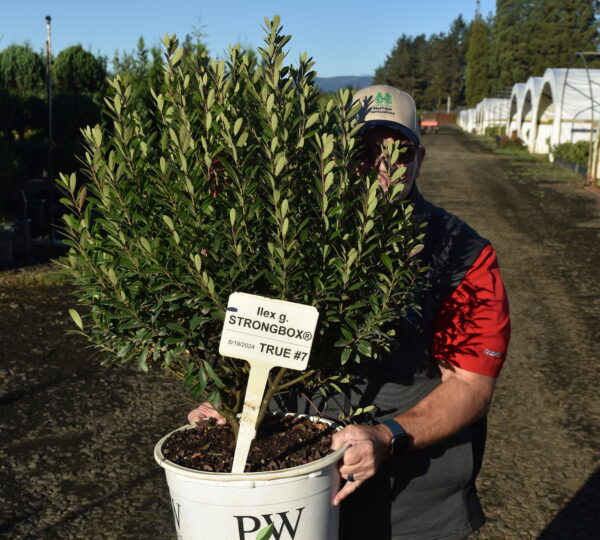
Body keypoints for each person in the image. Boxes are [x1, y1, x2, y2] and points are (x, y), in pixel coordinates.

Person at [188, 85, 511, 539]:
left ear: (420, 159)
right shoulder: (289, 232)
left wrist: (388, 435)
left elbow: (471, 385)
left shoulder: (462, 254)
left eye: (399, 152)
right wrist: (229, 402)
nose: (381, 166)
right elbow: (259, 334)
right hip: (290, 485)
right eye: (364, 150)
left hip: (408, 504)